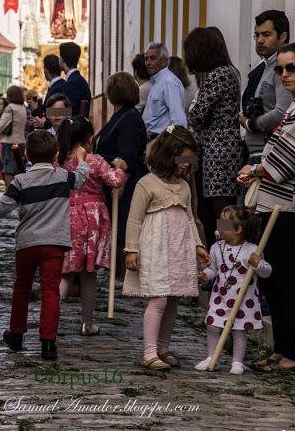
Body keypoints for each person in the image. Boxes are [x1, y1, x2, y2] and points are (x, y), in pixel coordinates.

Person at [0, 130, 90, 361]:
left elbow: (2, 206)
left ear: (26, 154)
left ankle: (16, 334)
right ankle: (48, 343)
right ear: (55, 155)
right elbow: (83, 176)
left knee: (22, 288)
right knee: (50, 292)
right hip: (54, 244)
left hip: (27, 244)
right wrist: (81, 158)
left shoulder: (20, 181)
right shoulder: (63, 176)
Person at [123, 126, 209, 370]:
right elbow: (134, 219)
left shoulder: (183, 187)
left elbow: (190, 218)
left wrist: (198, 245)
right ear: (168, 155)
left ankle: (163, 347)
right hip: (155, 250)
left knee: (172, 300)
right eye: (183, 159)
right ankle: (149, 352)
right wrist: (131, 249)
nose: (186, 165)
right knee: (159, 298)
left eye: (189, 161)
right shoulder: (146, 184)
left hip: (177, 251)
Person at [238, 42, 295, 373]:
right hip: (271, 203)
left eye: (291, 68)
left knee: (286, 280)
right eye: (281, 69)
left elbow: (285, 162)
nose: (285, 74)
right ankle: (280, 347)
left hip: (287, 209)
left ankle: (291, 351)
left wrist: (257, 169)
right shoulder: (290, 109)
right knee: (271, 280)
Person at [57, 117, 127, 335]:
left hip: (68, 215)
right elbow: (115, 180)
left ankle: (49, 315)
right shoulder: (94, 160)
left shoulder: (61, 160)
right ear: (89, 139)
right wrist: (121, 168)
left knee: (67, 271)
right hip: (92, 219)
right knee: (89, 273)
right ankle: (87, 322)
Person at [196, 206, 271, 374]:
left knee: (239, 330)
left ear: (238, 229)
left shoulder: (252, 249)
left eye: (224, 225)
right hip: (220, 297)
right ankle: (211, 357)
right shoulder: (216, 247)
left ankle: (237, 361)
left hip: (244, 299)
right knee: (212, 326)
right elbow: (214, 269)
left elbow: (267, 271)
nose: (219, 228)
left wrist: (258, 264)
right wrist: (205, 275)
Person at [185, 28, 242, 248]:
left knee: (221, 209)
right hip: (217, 151)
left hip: (219, 152)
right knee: (215, 208)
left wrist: (194, 112)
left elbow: (196, 116)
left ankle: (227, 251)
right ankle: (220, 254)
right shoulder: (227, 72)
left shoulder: (219, 75)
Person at [94, 72, 147, 278]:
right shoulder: (121, 116)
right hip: (111, 182)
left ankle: (124, 276)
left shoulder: (129, 118)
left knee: (123, 228)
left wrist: (119, 177)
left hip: (124, 185)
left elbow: (128, 156)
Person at [239, 10, 291, 170]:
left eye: (266, 35)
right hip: (256, 153)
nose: (260, 40)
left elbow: (282, 112)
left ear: (282, 36)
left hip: (268, 155)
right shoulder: (266, 65)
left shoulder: (283, 68)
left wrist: (250, 124)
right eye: (257, 35)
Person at [142, 43, 187, 144]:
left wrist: (164, 135)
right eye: (146, 59)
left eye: (153, 58)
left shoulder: (169, 82)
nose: (148, 63)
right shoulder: (157, 81)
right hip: (153, 141)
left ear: (164, 61)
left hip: (162, 142)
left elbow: (179, 122)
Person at [0, 85, 27, 189]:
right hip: (20, 142)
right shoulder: (22, 107)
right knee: (18, 169)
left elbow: (2, 123)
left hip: (10, 142)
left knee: (8, 170)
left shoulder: (11, 108)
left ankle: (10, 194)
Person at [59, 42, 91, 116]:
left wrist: (48, 113)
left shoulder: (72, 83)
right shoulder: (78, 80)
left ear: (61, 60)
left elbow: (69, 112)